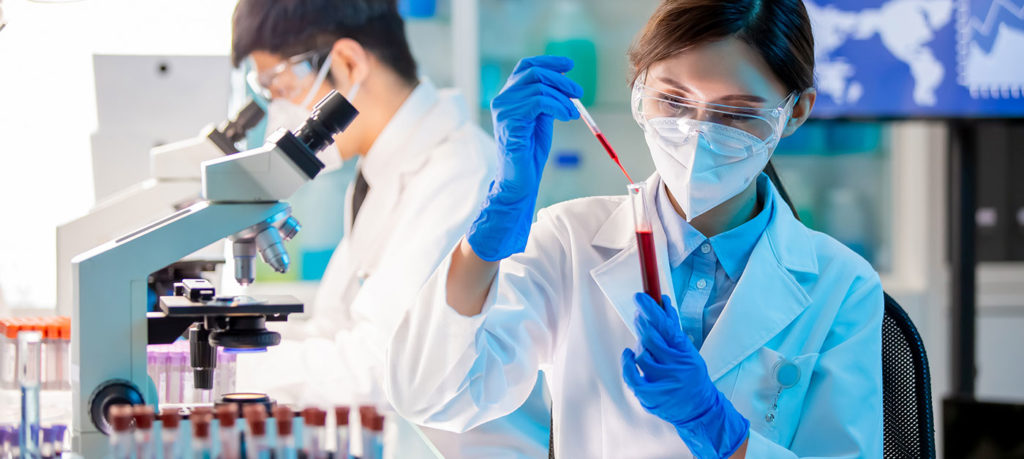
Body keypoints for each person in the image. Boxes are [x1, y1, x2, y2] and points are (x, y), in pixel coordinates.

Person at [386, 0, 884, 457]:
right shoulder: (570, 242)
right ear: (637, 89)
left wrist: (717, 427)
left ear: (795, 111)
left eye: (736, 113)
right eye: (673, 101)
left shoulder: (842, 285)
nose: (698, 132)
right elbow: (434, 396)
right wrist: (490, 234)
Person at [229, 0, 549, 456]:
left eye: (277, 86)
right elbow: (337, 327)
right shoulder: (377, 173)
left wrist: (229, 368)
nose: (275, 110)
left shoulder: (462, 173)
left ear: (347, 63)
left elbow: (379, 371)